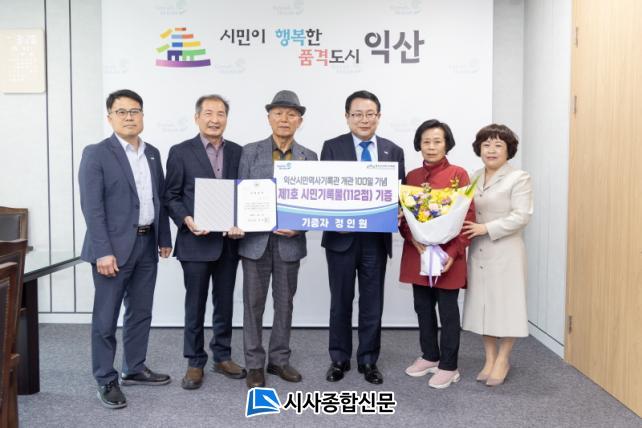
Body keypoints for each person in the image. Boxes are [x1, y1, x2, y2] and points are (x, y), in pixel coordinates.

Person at [79, 89, 172, 409]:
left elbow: (158, 199)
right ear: (110, 118)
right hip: (112, 249)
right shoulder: (96, 153)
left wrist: (163, 238)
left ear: (142, 116)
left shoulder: (152, 153)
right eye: (121, 112)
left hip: (146, 244)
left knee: (141, 311)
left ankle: (134, 367)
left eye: (135, 111)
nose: (129, 117)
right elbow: (92, 208)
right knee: (106, 318)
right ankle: (106, 378)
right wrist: (103, 251)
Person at [321, 90, 405, 385]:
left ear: (378, 117)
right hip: (340, 239)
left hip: (375, 241)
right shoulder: (332, 147)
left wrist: (399, 210)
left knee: (372, 303)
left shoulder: (393, 151)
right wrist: (336, 220)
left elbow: (400, 194)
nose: (364, 120)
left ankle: (368, 359)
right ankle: (339, 357)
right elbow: (323, 193)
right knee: (340, 302)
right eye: (357, 114)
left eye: (370, 114)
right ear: (347, 117)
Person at [164, 94, 246, 390]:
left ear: (227, 118)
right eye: (208, 113)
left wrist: (242, 221)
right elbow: (171, 195)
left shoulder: (238, 152)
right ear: (197, 117)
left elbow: (244, 194)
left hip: (228, 243)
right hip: (195, 242)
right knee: (195, 304)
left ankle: (222, 356)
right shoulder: (180, 151)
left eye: (220, 113)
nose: (214, 119)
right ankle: (195, 361)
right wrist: (186, 219)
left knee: (225, 303)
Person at [238, 90, 318, 388]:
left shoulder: (309, 157)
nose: (285, 119)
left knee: (285, 305)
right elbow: (240, 194)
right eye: (279, 113)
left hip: (290, 244)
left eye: (291, 114)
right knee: (253, 306)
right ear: (269, 117)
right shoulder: (250, 152)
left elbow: (314, 203)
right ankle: (254, 364)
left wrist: (300, 227)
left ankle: (279, 360)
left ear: (300, 121)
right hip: (255, 243)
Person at [399, 119, 474, 389]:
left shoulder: (459, 175)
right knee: (422, 307)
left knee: (448, 310)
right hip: (418, 253)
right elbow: (404, 217)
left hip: (449, 256)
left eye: (437, 141)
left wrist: (452, 252)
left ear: (446, 144)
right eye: (426, 141)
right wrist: (414, 239)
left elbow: (468, 215)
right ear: (419, 144)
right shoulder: (411, 177)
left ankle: (449, 366)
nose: (431, 147)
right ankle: (430, 355)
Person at [462, 124, 533, 386]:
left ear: (508, 150)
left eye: (498, 145)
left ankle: (503, 358)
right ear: (479, 148)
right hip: (478, 249)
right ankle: (489, 358)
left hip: (506, 250)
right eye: (486, 145)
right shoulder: (473, 176)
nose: (491, 150)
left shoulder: (519, 178)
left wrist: (487, 228)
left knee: (507, 305)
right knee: (484, 305)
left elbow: (522, 216)